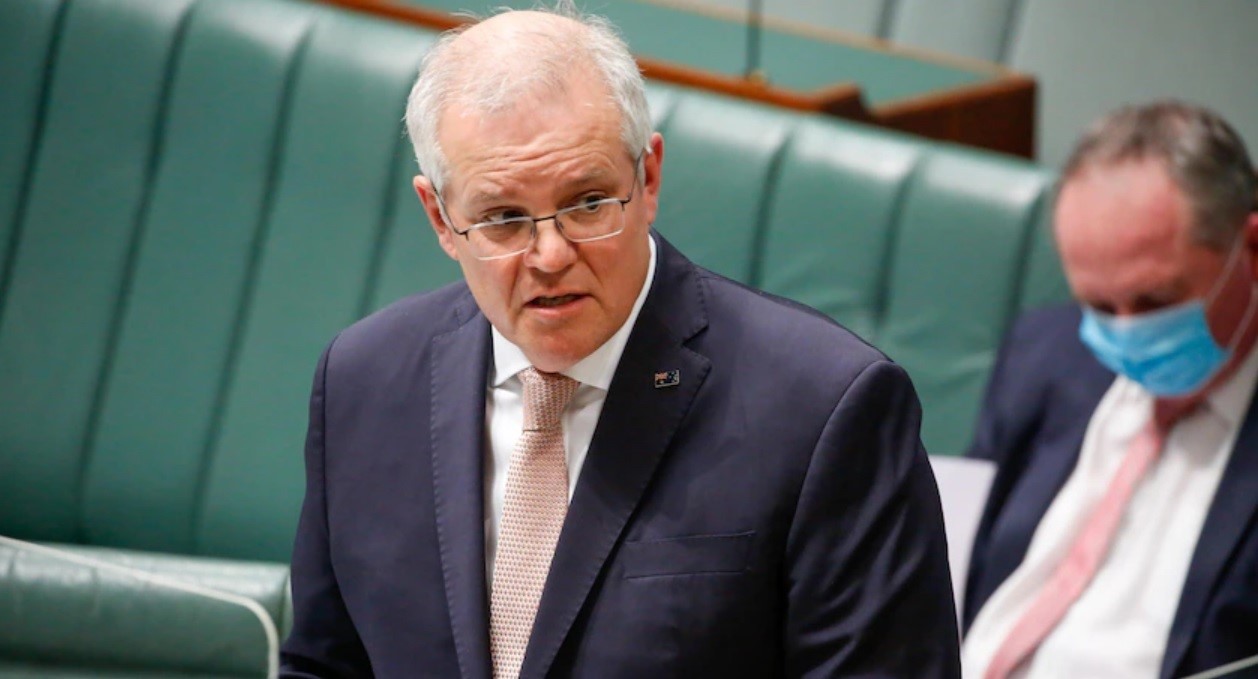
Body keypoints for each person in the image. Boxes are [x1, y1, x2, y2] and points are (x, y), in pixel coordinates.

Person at [280, 5, 959, 678]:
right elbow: (324, 663)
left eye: (587, 203)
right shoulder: (362, 382)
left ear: (649, 177)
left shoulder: (824, 408)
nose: (550, 254)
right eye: (503, 219)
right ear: (439, 214)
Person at [962, 100, 1258, 679]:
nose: (1125, 332)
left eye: (1155, 302)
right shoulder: (1044, 352)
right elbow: (954, 561)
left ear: (1250, 249)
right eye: (1098, 306)